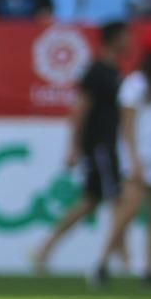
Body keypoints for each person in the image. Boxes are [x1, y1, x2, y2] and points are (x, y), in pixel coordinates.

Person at [32, 21, 131, 275]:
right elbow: (80, 110)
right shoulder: (97, 72)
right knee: (118, 201)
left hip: (106, 144)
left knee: (93, 200)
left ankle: (46, 248)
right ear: (115, 38)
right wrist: (74, 147)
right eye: (126, 36)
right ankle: (122, 261)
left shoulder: (113, 71)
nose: (129, 42)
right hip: (98, 145)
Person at [93, 43, 151, 286]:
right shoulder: (135, 84)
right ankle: (103, 262)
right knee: (128, 211)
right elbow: (128, 127)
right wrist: (134, 159)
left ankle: (150, 268)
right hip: (140, 157)